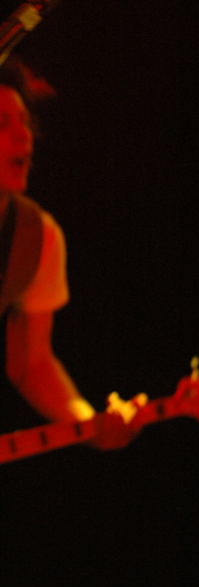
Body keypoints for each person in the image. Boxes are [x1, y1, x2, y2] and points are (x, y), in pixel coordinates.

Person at [0, 57, 144, 448]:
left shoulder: (35, 237)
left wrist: (88, 422)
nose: (23, 136)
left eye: (24, 122)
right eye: (2, 124)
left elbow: (31, 363)